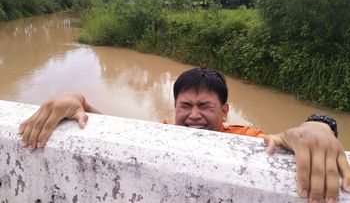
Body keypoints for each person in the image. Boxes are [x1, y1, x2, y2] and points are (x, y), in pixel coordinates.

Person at [19, 67, 350, 203]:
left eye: (205, 106)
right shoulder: (165, 133)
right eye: (185, 105)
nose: (193, 115)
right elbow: (118, 129)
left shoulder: (244, 137)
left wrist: (319, 125)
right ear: (174, 106)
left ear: (225, 111)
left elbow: (282, 140)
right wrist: (78, 100)